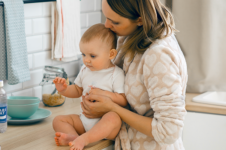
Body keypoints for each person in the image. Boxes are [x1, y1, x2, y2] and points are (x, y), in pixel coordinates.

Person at [80, 0, 188, 150]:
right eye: (106, 17)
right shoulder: (131, 36)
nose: (106, 25)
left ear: (140, 20)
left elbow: (169, 131)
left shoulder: (158, 55)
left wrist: (112, 108)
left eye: (114, 22)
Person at [52, 23, 127, 150]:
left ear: (111, 54)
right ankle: (75, 138)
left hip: (106, 127)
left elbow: (123, 100)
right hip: (84, 120)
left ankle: (84, 139)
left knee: (113, 118)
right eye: (83, 54)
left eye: (92, 56)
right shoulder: (84, 70)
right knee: (58, 120)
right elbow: (77, 90)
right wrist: (64, 89)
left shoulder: (116, 74)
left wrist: (106, 94)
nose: (86, 60)